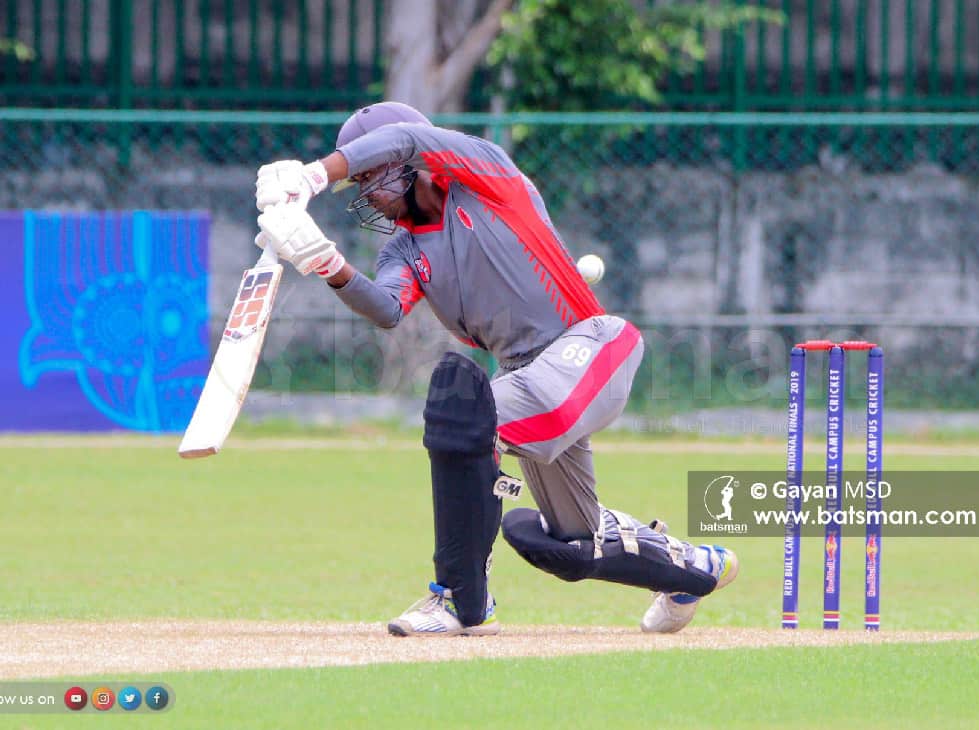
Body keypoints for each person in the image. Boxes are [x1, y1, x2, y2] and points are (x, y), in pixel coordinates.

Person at [253, 101, 738, 636]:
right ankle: (692, 568)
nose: (366, 192)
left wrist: (314, 174)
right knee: (574, 538)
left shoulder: (487, 174)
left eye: (370, 177)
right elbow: (387, 309)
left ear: (408, 163)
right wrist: (327, 264)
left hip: (592, 344)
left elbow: (408, 138)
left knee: (463, 415)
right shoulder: (404, 249)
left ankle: (460, 601)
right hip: (525, 374)